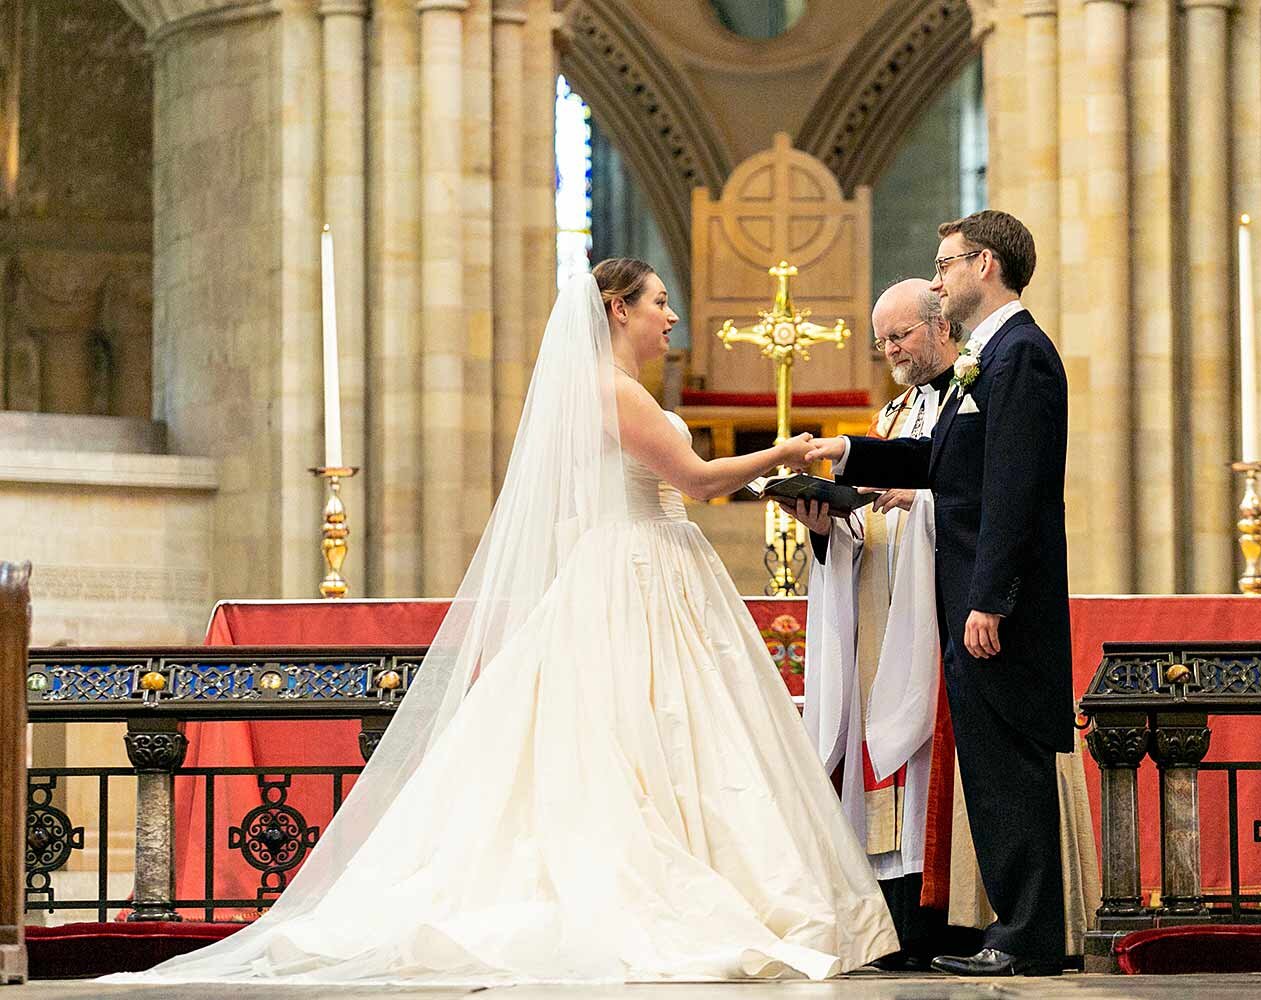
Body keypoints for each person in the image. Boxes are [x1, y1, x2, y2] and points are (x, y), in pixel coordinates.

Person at [105, 260, 899, 986]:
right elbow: (691, 480)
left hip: (649, 568)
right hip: (638, 569)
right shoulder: (611, 390)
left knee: (667, 733)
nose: (671, 321)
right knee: (645, 733)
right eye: (660, 305)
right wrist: (782, 452)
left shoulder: (614, 387)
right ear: (618, 309)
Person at [798, 278, 1097, 972]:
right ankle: (916, 924)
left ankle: (994, 925)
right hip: (894, 617)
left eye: (899, 335)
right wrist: (827, 515)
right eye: (881, 341)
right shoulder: (898, 411)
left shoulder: (998, 369)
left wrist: (924, 507)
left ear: (940, 329)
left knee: (991, 772)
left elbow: (994, 492)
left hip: (959, 609)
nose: (890, 350)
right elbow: (891, 499)